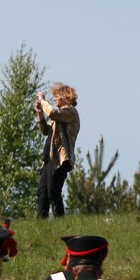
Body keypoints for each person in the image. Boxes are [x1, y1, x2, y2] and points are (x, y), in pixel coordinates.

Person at [35, 82, 80, 219]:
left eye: (57, 96)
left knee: (53, 191)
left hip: (61, 159)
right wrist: (40, 114)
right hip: (50, 158)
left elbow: (52, 113)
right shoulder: (60, 117)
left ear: (66, 97)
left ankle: (60, 222)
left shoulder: (70, 112)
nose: (54, 98)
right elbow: (46, 131)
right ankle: (41, 223)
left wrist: (42, 100)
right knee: (42, 192)